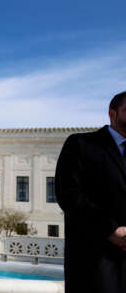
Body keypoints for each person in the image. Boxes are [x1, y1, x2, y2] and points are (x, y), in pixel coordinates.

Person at [56, 91, 126, 293]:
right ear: (112, 114)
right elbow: (69, 194)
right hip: (96, 261)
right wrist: (111, 230)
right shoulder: (81, 145)